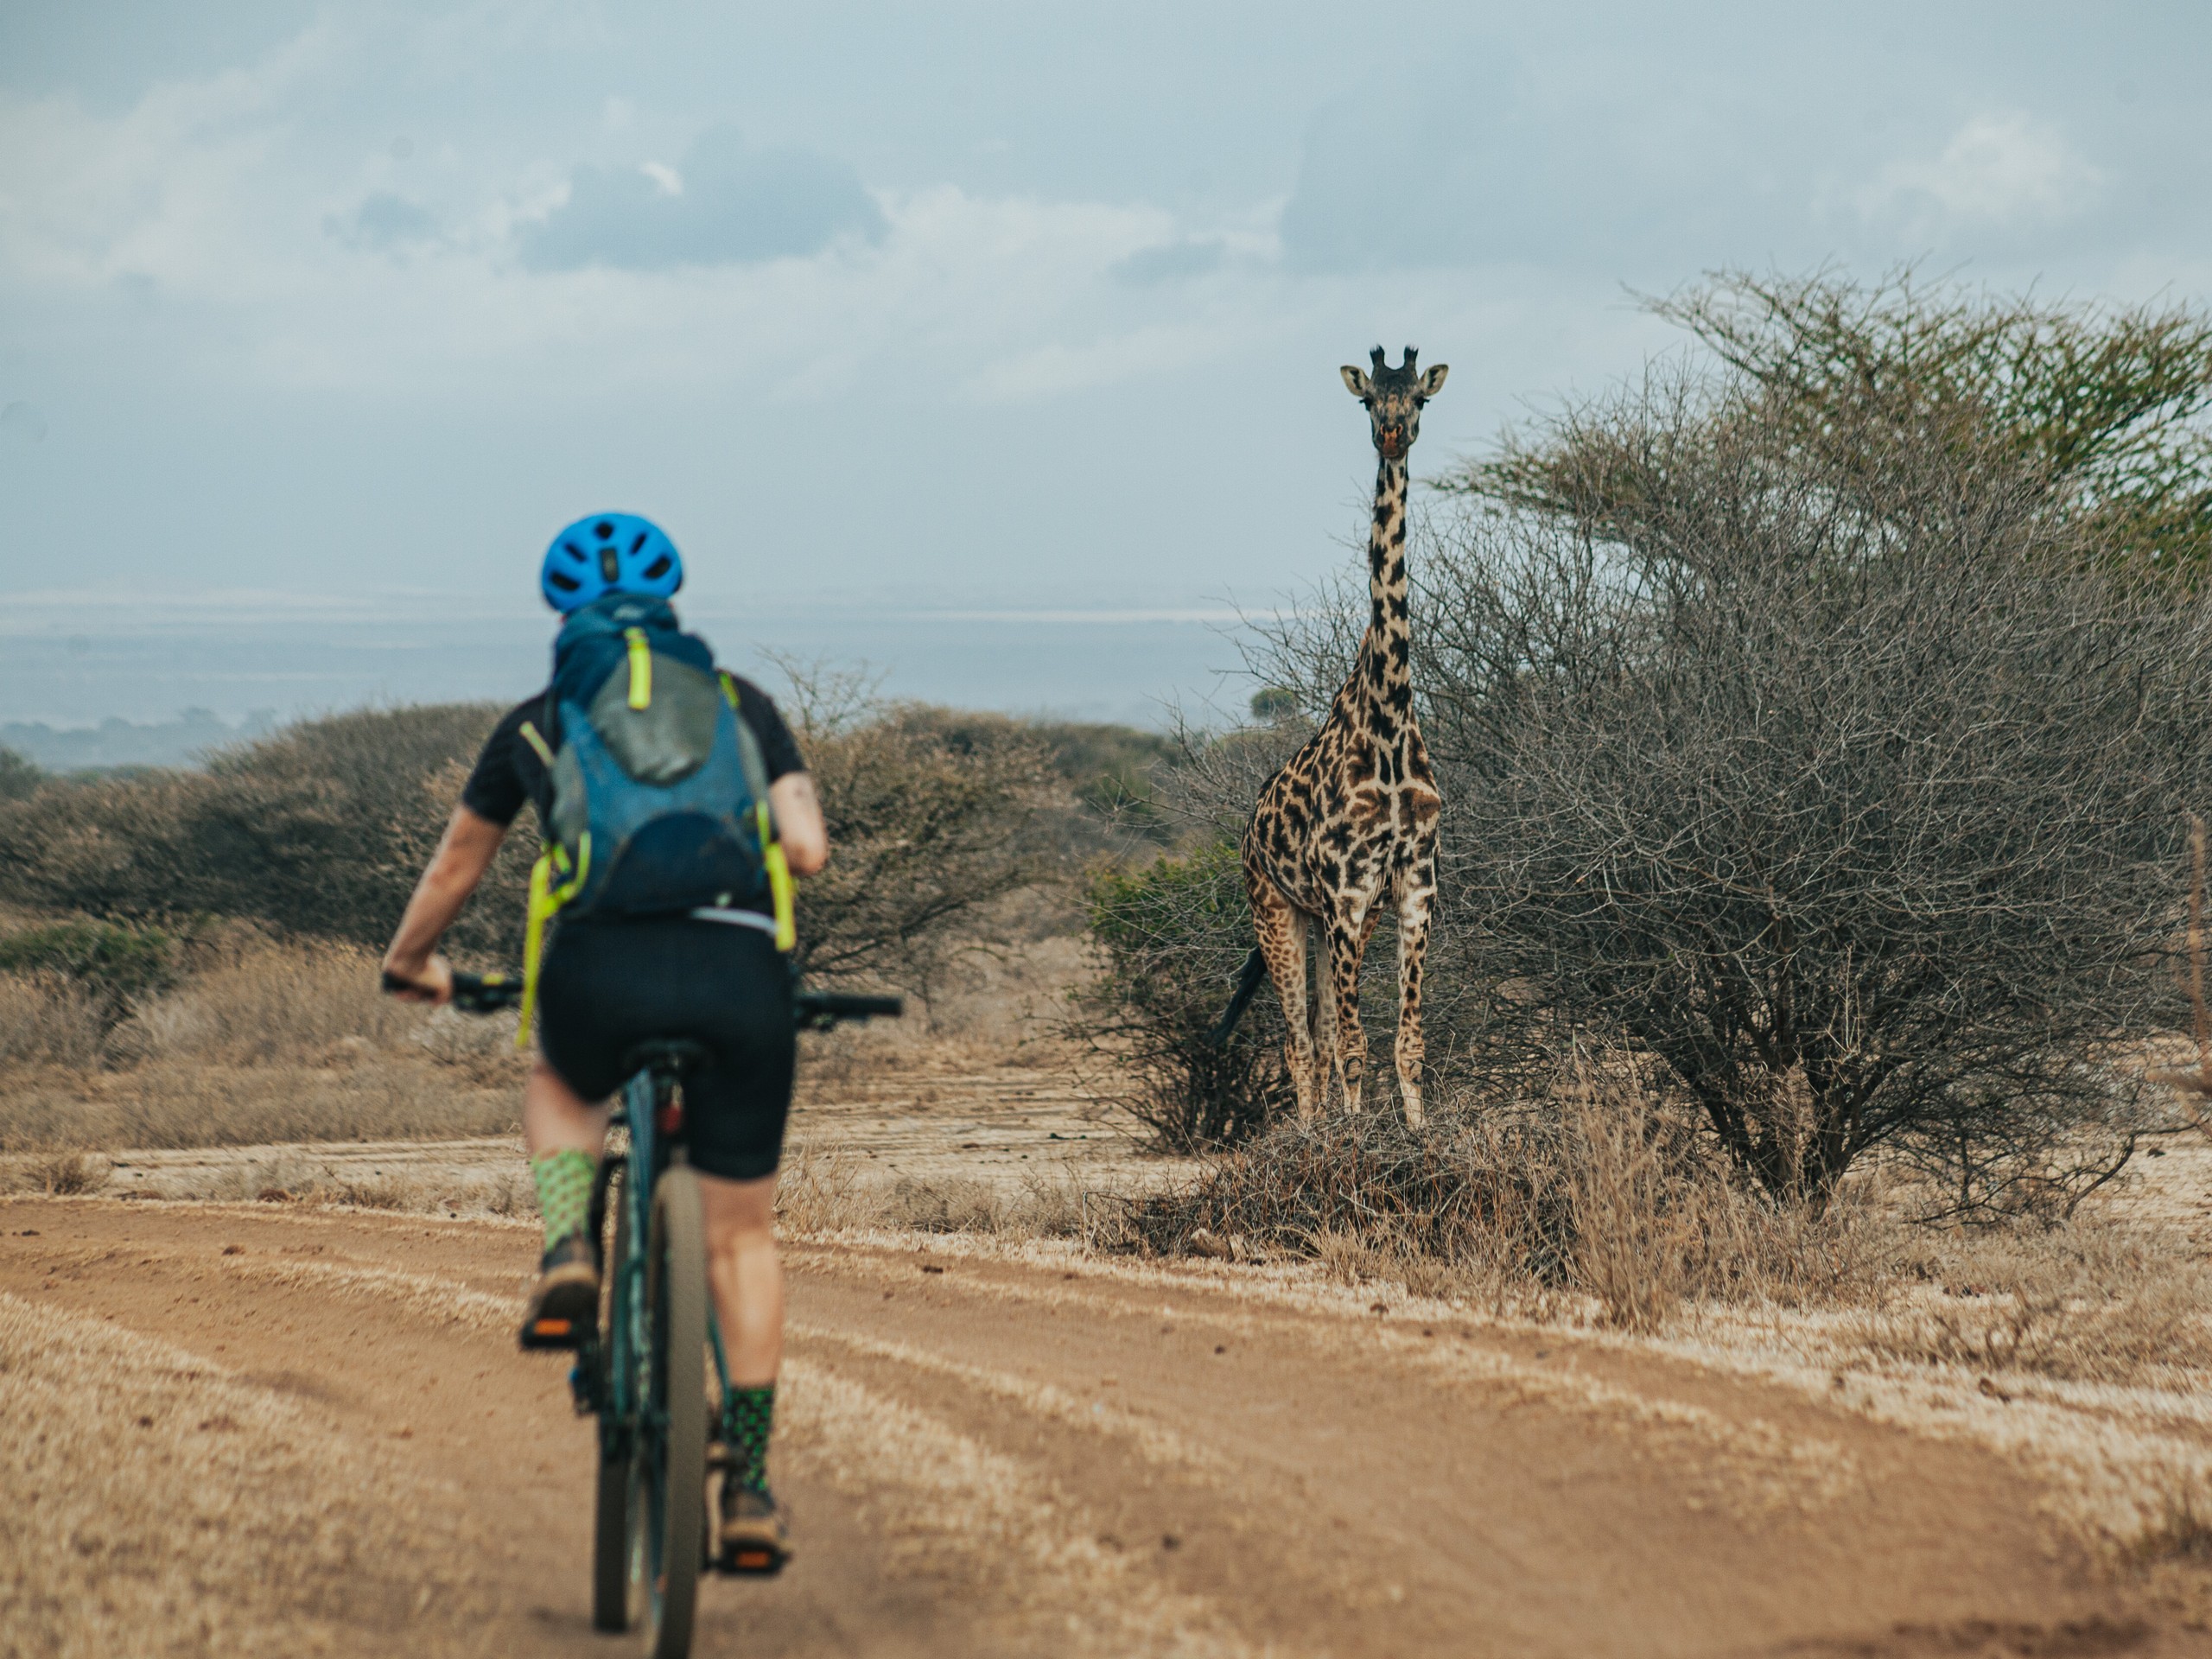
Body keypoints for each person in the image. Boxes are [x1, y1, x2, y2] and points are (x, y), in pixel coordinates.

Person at [379, 512, 827, 1567]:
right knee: (742, 1240)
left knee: (560, 1078)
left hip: (594, 971)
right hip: (737, 976)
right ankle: (752, 1483)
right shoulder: (741, 705)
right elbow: (804, 849)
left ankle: (571, 1243)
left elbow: (455, 868)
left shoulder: (539, 720)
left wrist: (409, 965)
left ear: (562, 610)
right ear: (674, 607)